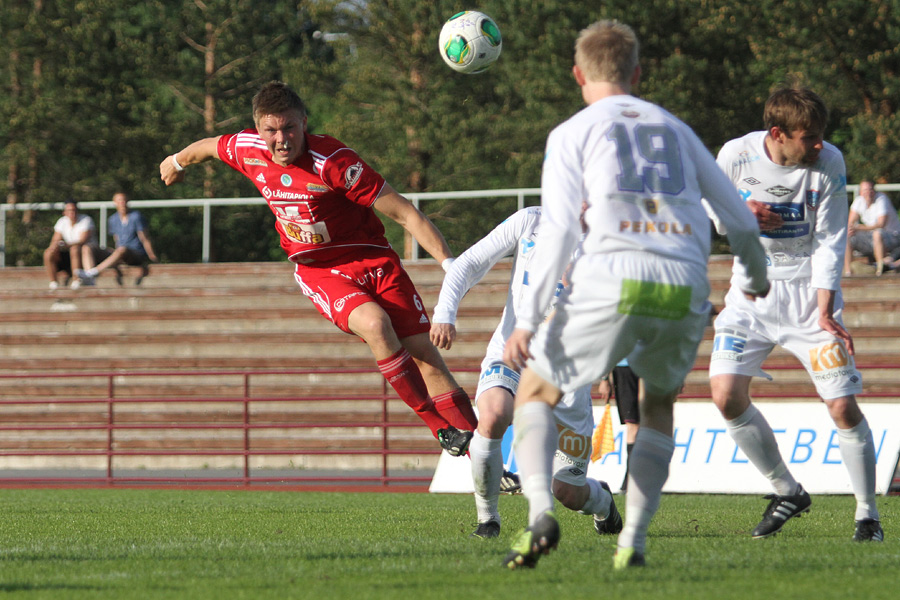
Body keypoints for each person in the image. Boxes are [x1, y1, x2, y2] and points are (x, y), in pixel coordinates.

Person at [500, 20, 769, 570]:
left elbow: (557, 232)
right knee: (657, 408)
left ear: (578, 75)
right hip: (683, 282)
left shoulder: (572, 133)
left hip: (611, 276)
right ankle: (635, 543)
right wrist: (757, 275)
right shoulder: (677, 128)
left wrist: (527, 320)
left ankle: (539, 515)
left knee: (534, 392)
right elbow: (737, 218)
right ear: (638, 74)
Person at [159, 80, 477, 456]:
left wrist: (451, 265)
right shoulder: (247, 149)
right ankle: (439, 427)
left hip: (373, 258)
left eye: (290, 127)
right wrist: (176, 161)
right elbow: (209, 147)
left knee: (425, 353)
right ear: (258, 129)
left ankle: (488, 455)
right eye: (271, 130)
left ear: (304, 123)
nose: (281, 139)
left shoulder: (336, 164)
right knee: (375, 325)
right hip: (320, 270)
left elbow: (405, 213)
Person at [707, 87, 883, 543]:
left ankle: (868, 516)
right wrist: (742, 216)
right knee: (725, 394)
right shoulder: (735, 155)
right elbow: (712, 213)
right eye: (809, 138)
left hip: (808, 296)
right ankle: (787, 490)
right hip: (750, 293)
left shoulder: (829, 162)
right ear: (778, 133)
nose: (819, 145)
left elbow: (830, 237)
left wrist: (826, 305)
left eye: (821, 136)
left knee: (842, 406)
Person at [430, 206, 621, 540]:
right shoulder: (530, 220)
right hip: (513, 352)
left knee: (567, 491)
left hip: (567, 375)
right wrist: (445, 312)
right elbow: (468, 263)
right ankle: (488, 520)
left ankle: (603, 503)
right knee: (492, 415)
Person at [79, 192, 158, 286]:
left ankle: (94, 272)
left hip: (135, 253)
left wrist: (151, 255)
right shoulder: (113, 219)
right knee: (87, 248)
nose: (122, 203)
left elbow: (144, 238)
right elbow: (116, 240)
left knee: (122, 249)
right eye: (119, 200)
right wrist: (116, 256)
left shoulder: (136, 216)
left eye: (124, 200)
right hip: (120, 252)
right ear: (115, 203)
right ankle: (89, 277)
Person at [43, 199, 105, 290]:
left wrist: (66, 245)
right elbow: (55, 240)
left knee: (74, 249)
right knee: (48, 253)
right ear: (64, 212)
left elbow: (82, 240)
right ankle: (53, 283)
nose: (72, 213)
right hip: (69, 255)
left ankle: (76, 280)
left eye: (74, 210)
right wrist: (54, 247)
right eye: (69, 210)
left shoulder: (86, 220)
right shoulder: (62, 222)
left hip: (86, 254)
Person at [597, 360, 640, 491]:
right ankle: (631, 481)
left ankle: (638, 480)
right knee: (633, 425)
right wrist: (605, 378)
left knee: (649, 423)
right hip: (626, 367)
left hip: (650, 363)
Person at [844, 180, 900, 276]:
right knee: (847, 236)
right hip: (871, 237)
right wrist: (851, 229)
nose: (868, 193)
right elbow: (850, 223)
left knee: (877, 234)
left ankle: (880, 268)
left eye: (870, 189)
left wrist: (858, 227)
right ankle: (848, 272)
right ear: (861, 192)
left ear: (874, 190)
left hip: (893, 236)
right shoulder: (859, 201)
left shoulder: (882, 199)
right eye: (865, 190)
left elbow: (881, 224)